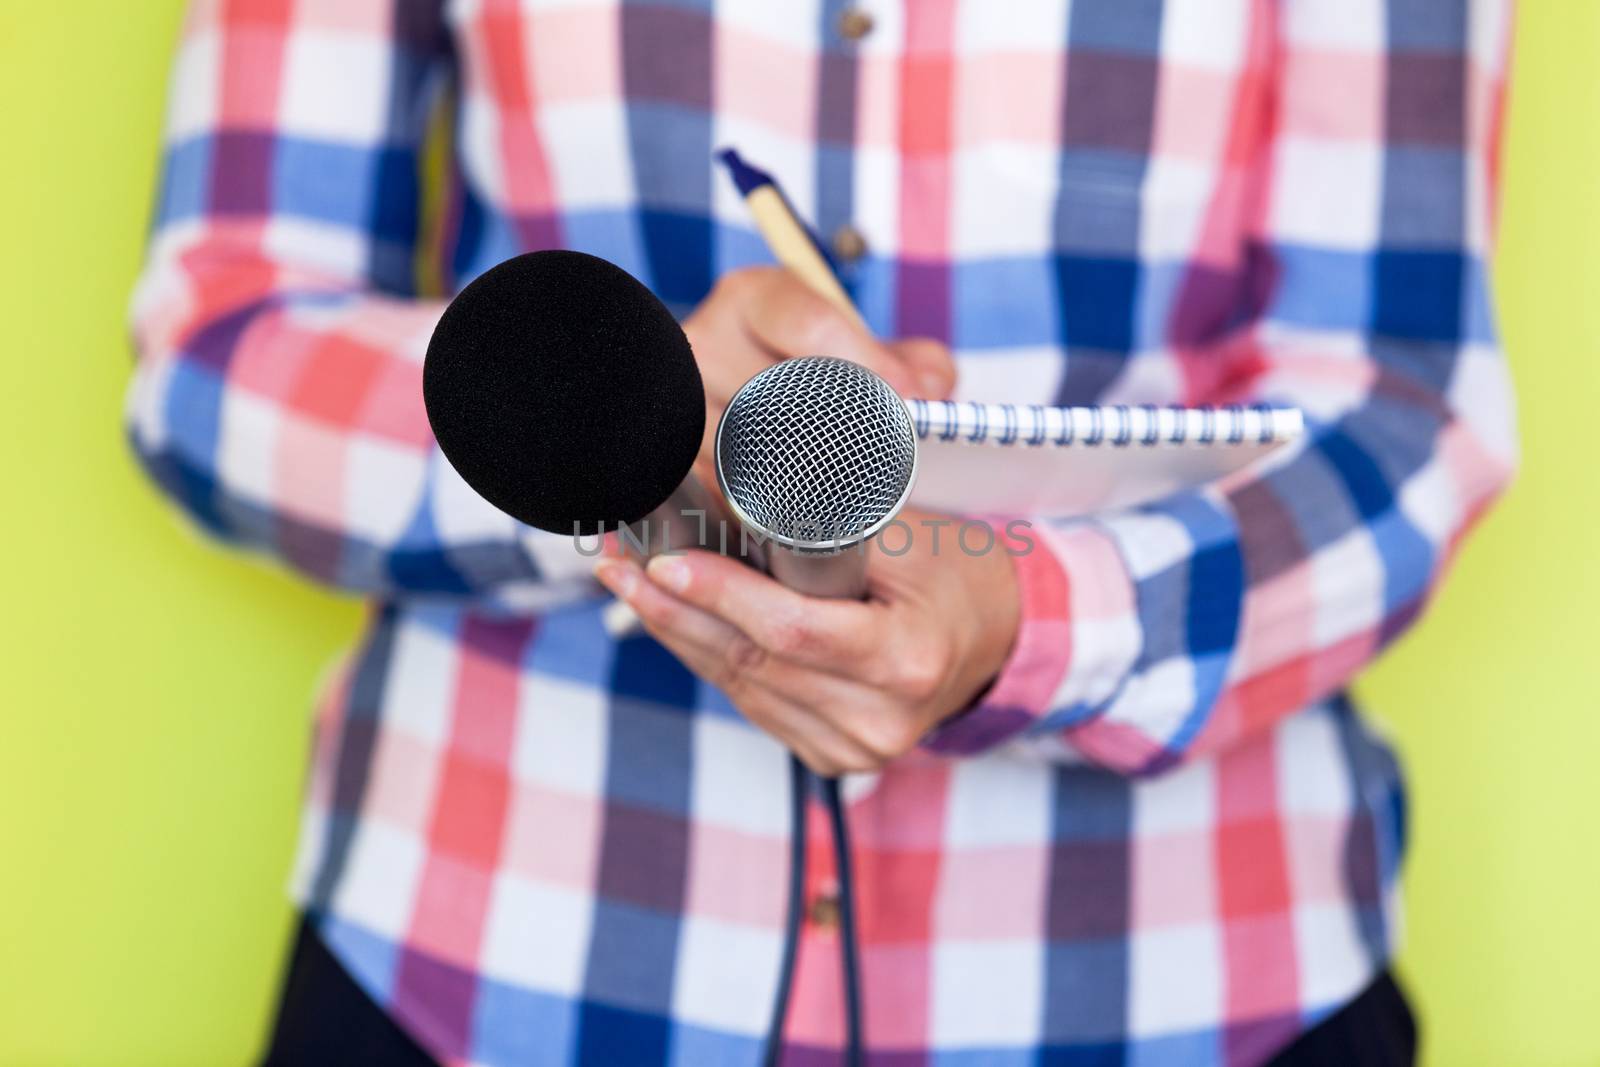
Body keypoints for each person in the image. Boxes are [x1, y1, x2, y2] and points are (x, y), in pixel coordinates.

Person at [127, 1, 1515, 1064]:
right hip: (484, 971)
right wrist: (644, 438)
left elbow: (1399, 405)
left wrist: (1031, 623)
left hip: (1199, 980)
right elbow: (218, 346)